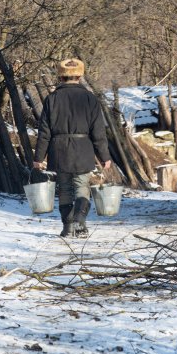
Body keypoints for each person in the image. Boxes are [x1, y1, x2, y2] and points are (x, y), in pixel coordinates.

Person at [33, 58, 112, 237]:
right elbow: (98, 132)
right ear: (80, 75)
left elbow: (44, 132)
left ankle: (68, 227)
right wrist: (104, 156)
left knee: (65, 189)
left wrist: (38, 158)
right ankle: (79, 221)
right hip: (83, 150)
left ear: (60, 77)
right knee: (81, 186)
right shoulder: (90, 99)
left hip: (59, 150)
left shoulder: (51, 99)